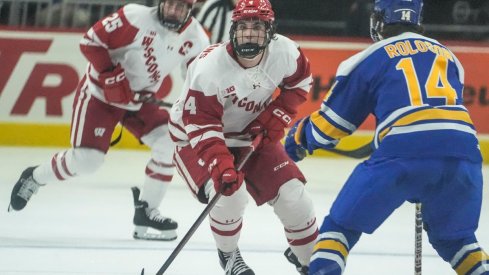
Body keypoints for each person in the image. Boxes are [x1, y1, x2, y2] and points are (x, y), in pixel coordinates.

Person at [285, 0, 489, 274]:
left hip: (403, 155)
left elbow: (329, 128)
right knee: (459, 242)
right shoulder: (449, 56)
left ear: (380, 20)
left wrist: (298, 139)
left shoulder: (371, 56)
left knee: (339, 230)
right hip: (465, 155)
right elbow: (437, 117)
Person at [9, 0, 210, 241]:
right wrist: (109, 75)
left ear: (191, 10)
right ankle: (34, 176)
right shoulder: (134, 16)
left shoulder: (197, 38)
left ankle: (147, 210)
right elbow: (90, 42)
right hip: (100, 95)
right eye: (170, 4)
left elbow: (196, 81)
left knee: (169, 142)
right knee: (87, 162)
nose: (174, 10)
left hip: (139, 101)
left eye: (181, 7)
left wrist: (196, 108)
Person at [169, 0, 318, 273]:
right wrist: (221, 163)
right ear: (232, 29)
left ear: (270, 31)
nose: (249, 34)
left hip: (250, 135)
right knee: (230, 196)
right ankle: (228, 257)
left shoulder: (285, 52)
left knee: (294, 198)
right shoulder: (209, 68)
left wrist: (277, 115)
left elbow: (300, 82)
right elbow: (201, 123)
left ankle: (310, 262)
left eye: (257, 27)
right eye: (243, 27)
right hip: (193, 139)